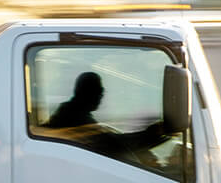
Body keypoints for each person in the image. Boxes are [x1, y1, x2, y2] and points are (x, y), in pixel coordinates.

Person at [40, 70, 173, 166]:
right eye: (98, 91)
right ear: (85, 93)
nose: (101, 96)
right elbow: (113, 145)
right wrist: (151, 134)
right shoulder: (74, 118)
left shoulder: (73, 113)